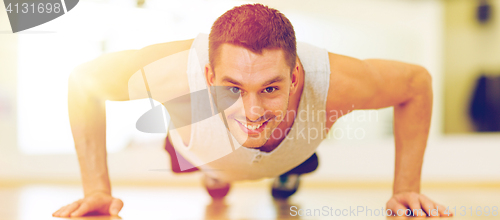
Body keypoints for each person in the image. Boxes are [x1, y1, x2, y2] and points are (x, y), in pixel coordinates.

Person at [53, 4, 452, 218]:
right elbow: (83, 82)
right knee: (215, 174)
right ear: (208, 74)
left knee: (284, 154)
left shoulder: (335, 80)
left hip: (293, 147)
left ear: (296, 75)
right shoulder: (172, 72)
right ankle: (215, 177)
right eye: (232, 88)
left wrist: (404, 190)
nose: (253, 108)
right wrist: (97, 191)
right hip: (198, 149)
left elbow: (416, 83)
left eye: (271, 88)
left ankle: (287, 169)